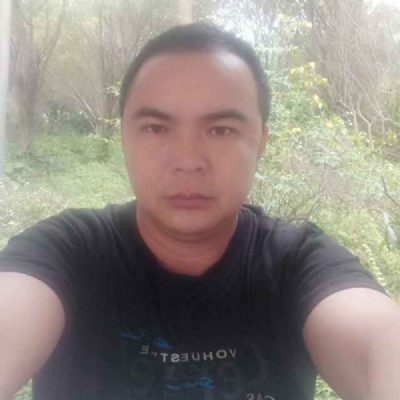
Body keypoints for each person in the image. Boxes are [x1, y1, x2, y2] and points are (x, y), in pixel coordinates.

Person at [0, 23, 399, 400]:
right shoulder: (66, 252)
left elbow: (377, 342)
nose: (188, 161)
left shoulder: (297, 263)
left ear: (260, 142)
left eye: (221, 130)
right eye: (156, 128)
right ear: (124, 137)